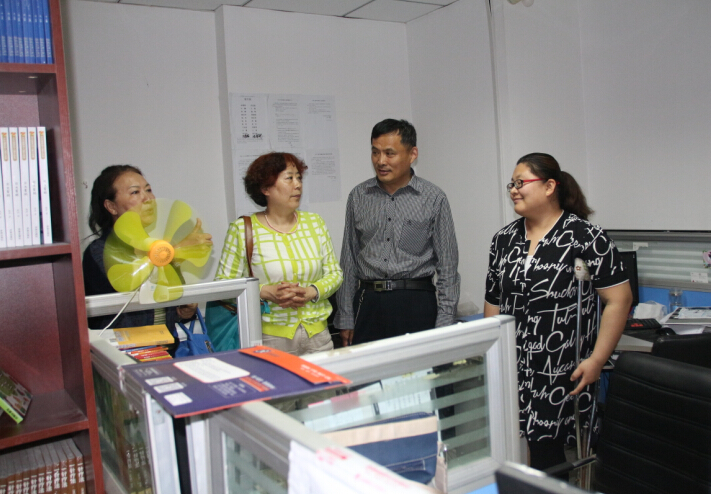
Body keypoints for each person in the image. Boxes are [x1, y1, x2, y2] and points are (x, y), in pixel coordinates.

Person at [483, 153, 632, 472]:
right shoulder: (504, 240)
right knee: (515, 453)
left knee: (551, 458)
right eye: (511, 184)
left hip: (563, 370)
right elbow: (493, 301)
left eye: (521, 182)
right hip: (513, 368)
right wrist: (491, 359)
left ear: (550, 186)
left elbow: (619, 300)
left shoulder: (586, 237)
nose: (513, 190)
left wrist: (597, 360)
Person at [335, 118, 460, 346]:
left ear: (412, 154)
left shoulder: (433, 198)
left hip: (417, 302)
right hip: (368, 303)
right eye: (375, 152)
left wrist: (445, 321)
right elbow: (349, 259)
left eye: (389, 153)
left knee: (421, 368)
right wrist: (345, 316)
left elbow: (448, 266)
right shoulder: (359, 196)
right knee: (370, 369)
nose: (380, 161)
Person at [215, 152, 342, 356]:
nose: (298, 185)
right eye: (289, 178)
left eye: (299, 177)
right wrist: (265, 292)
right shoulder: (242, 230)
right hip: (268, 338)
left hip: (319, 336)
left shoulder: (315, 223)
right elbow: (223, 285)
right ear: (265, 188)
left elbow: (335, 274)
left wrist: (312, 291)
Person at [83, 165, 212, 330]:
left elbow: (168, 305)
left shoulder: (159, 246)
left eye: (148, 190)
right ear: (111, 207)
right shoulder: (100, 251)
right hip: (122, 345)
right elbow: (134, 290)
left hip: (166, 344)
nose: (148, 198)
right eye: (135, 192)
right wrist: (177, 250)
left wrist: (184, 312)